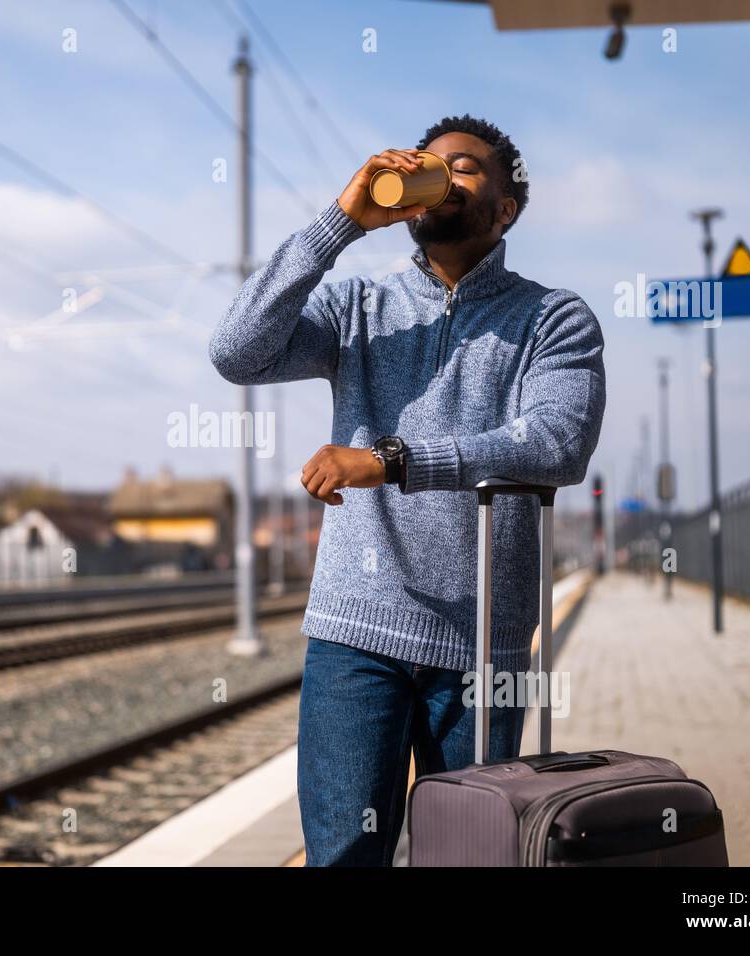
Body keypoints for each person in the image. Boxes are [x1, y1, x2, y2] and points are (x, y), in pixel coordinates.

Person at [208, 115, 607, 866]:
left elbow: (556, 442)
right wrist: (340, 224)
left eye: (463, 167)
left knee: (473, 856)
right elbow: (236, 352)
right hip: (354, 634)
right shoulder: (359, 307)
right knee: (343, 859)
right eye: (428, 163)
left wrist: (392, 460)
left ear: (505, 207)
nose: (438, 174)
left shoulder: (553, 318)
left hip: (481, 643)